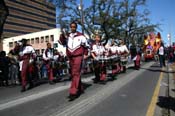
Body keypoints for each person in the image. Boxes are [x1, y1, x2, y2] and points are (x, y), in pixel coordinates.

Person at [59, 21, 89, 100]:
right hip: (70, 57)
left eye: (74, 27)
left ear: (76, 27)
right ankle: (79, 88)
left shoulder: (81, 36)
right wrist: (62, 34)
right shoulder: (67, 36)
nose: (72, 28)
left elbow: (86, 46)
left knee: (75, 73)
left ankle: (73, 92)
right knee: (73, 73)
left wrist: (85, 54)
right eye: (71, 27)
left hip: (78, 56)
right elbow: (62, 42)